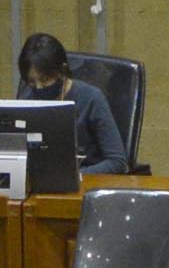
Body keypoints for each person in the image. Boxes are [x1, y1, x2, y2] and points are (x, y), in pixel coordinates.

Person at [16, 29, 130, 175]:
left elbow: (118, 162)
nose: (38, 87)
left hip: (85, 183)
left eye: (44, 80)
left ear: (62, 71)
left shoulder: (91, 98)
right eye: (31, 82)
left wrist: (74, 175)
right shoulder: (26, 100)